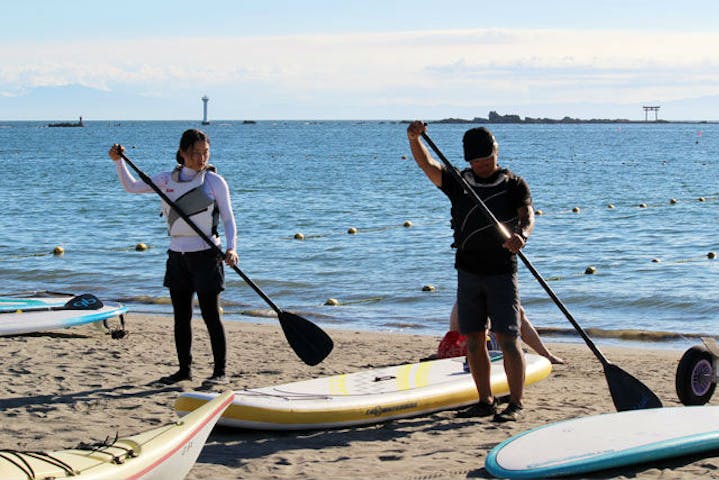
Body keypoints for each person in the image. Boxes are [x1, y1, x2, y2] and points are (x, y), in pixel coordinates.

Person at [407, 121, 533, 422]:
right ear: (469, 161)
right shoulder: (459, 183)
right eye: (478, 162)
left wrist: (522, 235)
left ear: (496, 152)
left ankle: (515, 403)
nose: (485, 166)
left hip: (502, 271)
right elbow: (428, 165)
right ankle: (485, 400)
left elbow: (526, 214)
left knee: (508, 338)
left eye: (489, 160)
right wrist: (414, 139)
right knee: (474, 339)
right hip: (468, 271)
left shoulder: (514, 184)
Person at [108, 129, 238, 388]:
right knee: (181, 317)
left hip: (207, 256)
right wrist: (118, 161)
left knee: (211, 316)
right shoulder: (166, 180)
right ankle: (184, 370)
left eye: (205, 153)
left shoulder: (214, 182)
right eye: (195, 153)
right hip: (177, 256)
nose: (201, 158)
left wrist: (232, 248)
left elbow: (228, 219)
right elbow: (131, 187)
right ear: (182, 153)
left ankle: (220, 372)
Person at [447, 302, 564, 365]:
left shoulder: (466, 291)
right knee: (518, 313)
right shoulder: (484, 294)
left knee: (516, 312)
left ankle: (546, 355)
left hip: (453, 346)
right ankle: (546, 355)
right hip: (472, 349)